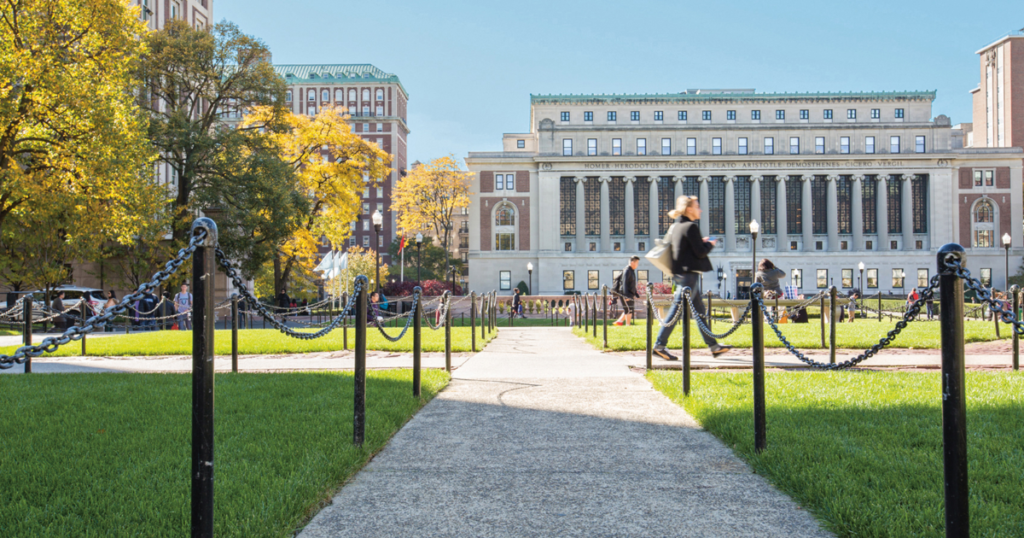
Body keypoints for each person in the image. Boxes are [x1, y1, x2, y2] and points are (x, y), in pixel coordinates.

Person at [652, 196, 734, 360]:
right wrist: (710, 243)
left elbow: (685, 249)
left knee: (700, 311)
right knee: (676, 312)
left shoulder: (677, 227)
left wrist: (700, 242)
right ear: (689, 209)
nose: (700, 209)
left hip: (681, 275)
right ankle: (659, 345)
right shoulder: (691, 227)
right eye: (697, 206)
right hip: (689, 276)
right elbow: (700, 252)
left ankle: (714, 346)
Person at [613, 256, 641, 326]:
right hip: (625, 293)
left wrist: (635, 293)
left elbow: (632, 283)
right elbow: (624, 283)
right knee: (628, 310)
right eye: (637, 263)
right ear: (632, 262)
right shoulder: (627, 271)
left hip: (630, 293)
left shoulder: (631, 271)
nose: (638, 265)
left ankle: (619, 321)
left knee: (629, 308)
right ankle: (628, 324)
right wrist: (626, 296)